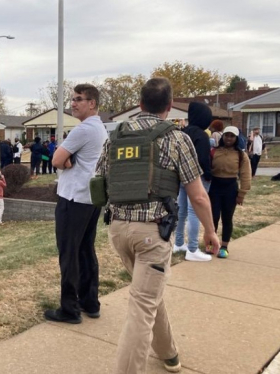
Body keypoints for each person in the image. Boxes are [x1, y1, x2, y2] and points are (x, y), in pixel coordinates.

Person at [96, 78, 219, 373]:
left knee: (147, 295)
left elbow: (99, 181)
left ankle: (169, 354)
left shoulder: (116, 136)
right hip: (153, 232)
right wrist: (211, 231)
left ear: (140, 104)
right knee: (142, 306)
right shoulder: (178, 138)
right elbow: (199, 196)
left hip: (118, 230)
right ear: (169, 106)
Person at [44, 83, 107, 325]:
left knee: (69, 253)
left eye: (79, 99)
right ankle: (90, 302)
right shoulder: (100, 129)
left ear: (92, 103)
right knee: (85, 250)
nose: (73, 103)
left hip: (73, 198)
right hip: (90, 198)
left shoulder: (83, 130)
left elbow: (57, 159)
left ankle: (69, 308)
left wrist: (66, 159)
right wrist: (69, 159)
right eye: (73, 99)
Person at [173, 101, 214, 262]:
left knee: (181, 211)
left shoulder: (182, 133)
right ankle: (192, 248)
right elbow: (203, 159)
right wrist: (209, 175)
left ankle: (178, 243)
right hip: (197, 177)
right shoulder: (201, 135)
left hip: (181, 177)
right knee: (194, 212)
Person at [210, 126, 252, 259]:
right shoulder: (214, 151)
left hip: (230, 188)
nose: (229, 138)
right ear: (222, 137)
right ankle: (212, 244)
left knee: (227, 218)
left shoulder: (241, 155)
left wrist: (242, 193)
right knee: (213, 217)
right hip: (215, 187)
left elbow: (246, 174)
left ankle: (224, 247)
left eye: (232, 136)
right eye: (226, 135)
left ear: (236, 138)